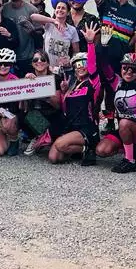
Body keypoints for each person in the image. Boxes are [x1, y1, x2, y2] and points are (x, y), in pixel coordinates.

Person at [89, 0, 136, 130]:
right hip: (100, 54)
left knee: (114, 92)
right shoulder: (106, 4)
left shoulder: (135, 13)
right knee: (96, 91)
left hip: (119, 58)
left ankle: (112, 123)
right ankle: (93, 123)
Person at [49, 22, 102, 166]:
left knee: (60, 145)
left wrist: (90, 43)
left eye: (83, 63)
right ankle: (80, 150)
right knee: (54, 157)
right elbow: (64, 108)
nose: (81, 67)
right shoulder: (72, 85)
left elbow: (92, 66)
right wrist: (64, 92)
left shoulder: (93, 82)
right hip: (72, 127)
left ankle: (90, 148)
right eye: (77, 65)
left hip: (87, 127)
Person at [95, 53, 136, 174]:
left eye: (133, 69)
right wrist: (103, 47)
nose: (128, 72)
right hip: (124, 129)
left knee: (124, 123)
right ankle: (129, 148)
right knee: (101, 150)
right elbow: (105, 66)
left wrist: (109, 115)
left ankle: (130, 161)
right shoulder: (118, 83)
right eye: (125, 68)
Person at [20, 50, 64, 157]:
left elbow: (57, 105)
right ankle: (40, 137)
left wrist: (43, 88)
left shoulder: (56, 79)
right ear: (32, 63)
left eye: (42, 59)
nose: (39, 61)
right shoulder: (28, 78)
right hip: (34, 115)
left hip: (51, 114)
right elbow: (22, 107)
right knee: (21, 115)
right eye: (35, 60)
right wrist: (24, 86)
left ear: (48, 63)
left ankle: (45, 137)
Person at [29, 0, 79, 75]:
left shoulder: (72, 30)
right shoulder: (49, 24)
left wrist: (70, 61)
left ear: (68, 12)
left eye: (63, 8)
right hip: (47, 69)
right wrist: (54, 21)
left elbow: (76, 51)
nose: (60, 10)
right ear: (55, 10)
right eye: (58, 8)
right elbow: (33, 17)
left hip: (64, 70)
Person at [2, 0, 39, 77]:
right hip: (8, 58)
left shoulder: (32, 10)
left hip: (27, 58)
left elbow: (40, 36)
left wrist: (32, 31)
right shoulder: (3, 9)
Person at [0, 48, 21, 155]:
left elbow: (16, 107)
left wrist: (3, 112)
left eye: (6, 64)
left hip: (8, 112)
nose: (2, 66)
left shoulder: (15, 80)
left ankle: (14, 140)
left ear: (11, 65)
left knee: (10, 120)